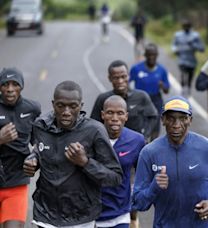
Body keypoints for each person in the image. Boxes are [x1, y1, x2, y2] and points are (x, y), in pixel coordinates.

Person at [23, 80, 123, 227]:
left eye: (73, 106)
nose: (66, 112)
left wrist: (85, 162)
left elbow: (115, 178)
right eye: (61, 105)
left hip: (81, 218)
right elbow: (41, 148)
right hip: (45, 215)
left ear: (81, 106)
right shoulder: (40, 126)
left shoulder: (94, 130)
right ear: (53, 104)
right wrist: (33, 159)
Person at [132, 96, 208, 227]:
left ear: (190, 120)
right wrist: (153, 187)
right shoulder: (149, 153)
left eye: (182, 118)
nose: (176, 125)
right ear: (163, 120)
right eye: (171, 118)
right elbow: (139, 203)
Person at [96, 95, 145, 228]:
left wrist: (134, 210)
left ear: (126, 116)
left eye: (120, 113)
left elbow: (142, 177)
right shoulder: (90, 136)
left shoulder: (137, 140)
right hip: (91, 215)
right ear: (102, 115)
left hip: (120, 215)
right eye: (110, 113)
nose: (115, 118)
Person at [0, 68, 41, 228]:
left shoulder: (32, 109)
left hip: (16, 184)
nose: (10, 89)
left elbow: (40, 143)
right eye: (5, 84)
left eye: (15, 84)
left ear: (21, 87)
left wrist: (34, 157)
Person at [91, 60, 158, 143]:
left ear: (129, 76)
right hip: (111, 144)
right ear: (110, 78)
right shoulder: (103, 99)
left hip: (134, 144)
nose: (120, 81)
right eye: (116, 78)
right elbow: (94, 124)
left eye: (123, 76)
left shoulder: (141, 96)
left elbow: (153, 116)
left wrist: (145, 136)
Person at [129, 43, 170, 139]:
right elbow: (127, 83)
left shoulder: (161, 70)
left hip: (155, 100)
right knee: (139, 125)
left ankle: (152, 145)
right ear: (145, 55)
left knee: (155, 126)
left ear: (157, 55)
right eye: (149, 55)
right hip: (140, 100)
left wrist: (162, 85)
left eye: (154, 55)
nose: (151, 57)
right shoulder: (136, 68)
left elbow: (166, 90)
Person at [172, 19, 205, 96]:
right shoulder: (178, 35)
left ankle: (189, 88)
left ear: (190, 27)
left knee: (190, 76)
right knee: (183, 74)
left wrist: (193, 44)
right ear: (182, 27)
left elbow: (202, 48)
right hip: (182, 59)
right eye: (184, 26)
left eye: (187, 26)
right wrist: (175, 50)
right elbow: (174, 45)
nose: (186, 28)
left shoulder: (195, 36)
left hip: (192, 60)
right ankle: (183, 88)